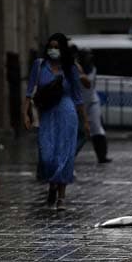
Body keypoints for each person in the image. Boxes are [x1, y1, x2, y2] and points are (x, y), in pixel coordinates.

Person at [23, 33, 89, 209]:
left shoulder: (70, 68)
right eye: (51, 47)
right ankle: (52, 183)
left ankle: (61, 196)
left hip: (67, 113)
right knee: (47, 155)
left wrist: (86, 121)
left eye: (57, 47)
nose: (54, 50)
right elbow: (29, 92)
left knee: (64, 154)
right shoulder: (39, 65)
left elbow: (78, 96)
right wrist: (26, 113)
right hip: (47, 113)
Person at [77, 47, 111, 163]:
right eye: (86, 55)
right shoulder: (74, 69)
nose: (89, 58)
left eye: (89, 55)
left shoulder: (92, 68)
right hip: (77, 103)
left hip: (92, 101)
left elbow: (90, 84)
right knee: (76, 131)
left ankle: (102, 156)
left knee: (97, 129)